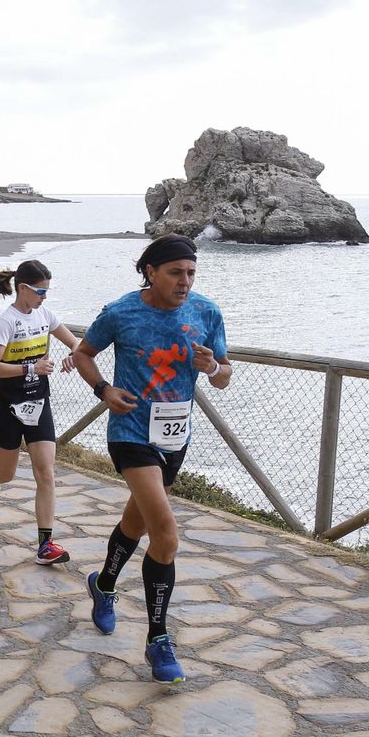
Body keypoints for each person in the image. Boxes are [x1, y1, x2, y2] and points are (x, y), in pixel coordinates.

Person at [72, 234, 231, 684]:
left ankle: (103, 585)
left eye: (191, 273)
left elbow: (224, 377)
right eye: (175, 272)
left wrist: (212, 368)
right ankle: (158, 640)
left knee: (137, 523)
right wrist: (103, 389)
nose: (185, 282)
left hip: (174, 438)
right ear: (150, 272)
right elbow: (83, 353)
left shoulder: (206, 312)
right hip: (130, 434)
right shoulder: (122, 312)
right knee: (165, 532)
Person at [0, 260, 82, 566]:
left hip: (39, 404)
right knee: (4, 473)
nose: (44, 297)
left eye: (47, 291)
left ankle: (45, 544)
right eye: (40, 291)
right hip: (8, 408)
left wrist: (73, 356)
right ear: (23, 288)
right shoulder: (6, 322)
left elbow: (77, 343)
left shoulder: (46, 315)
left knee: (45, 472)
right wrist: (31, 367)